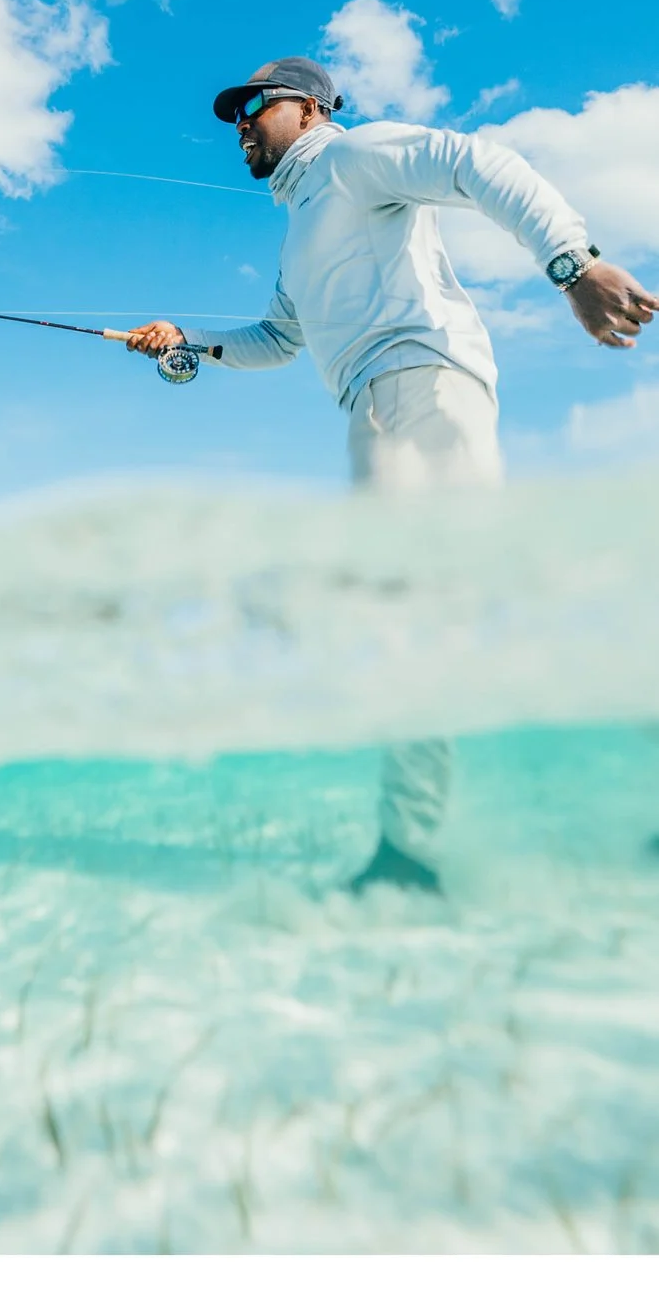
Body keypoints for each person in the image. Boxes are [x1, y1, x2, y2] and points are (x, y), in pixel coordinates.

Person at [122, 57, 658, 894]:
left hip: (417, 384)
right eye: (235, 116)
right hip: (385, 400)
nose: (240, 125)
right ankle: (415, 849)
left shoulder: (351, 154)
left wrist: (573, 265)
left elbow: (481, 164)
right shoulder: (301, 222)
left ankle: (407, 855)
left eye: (253, 107)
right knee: (465, 611)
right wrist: (190, 343)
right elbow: (278, 336)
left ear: (307, 108)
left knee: (410, 614)